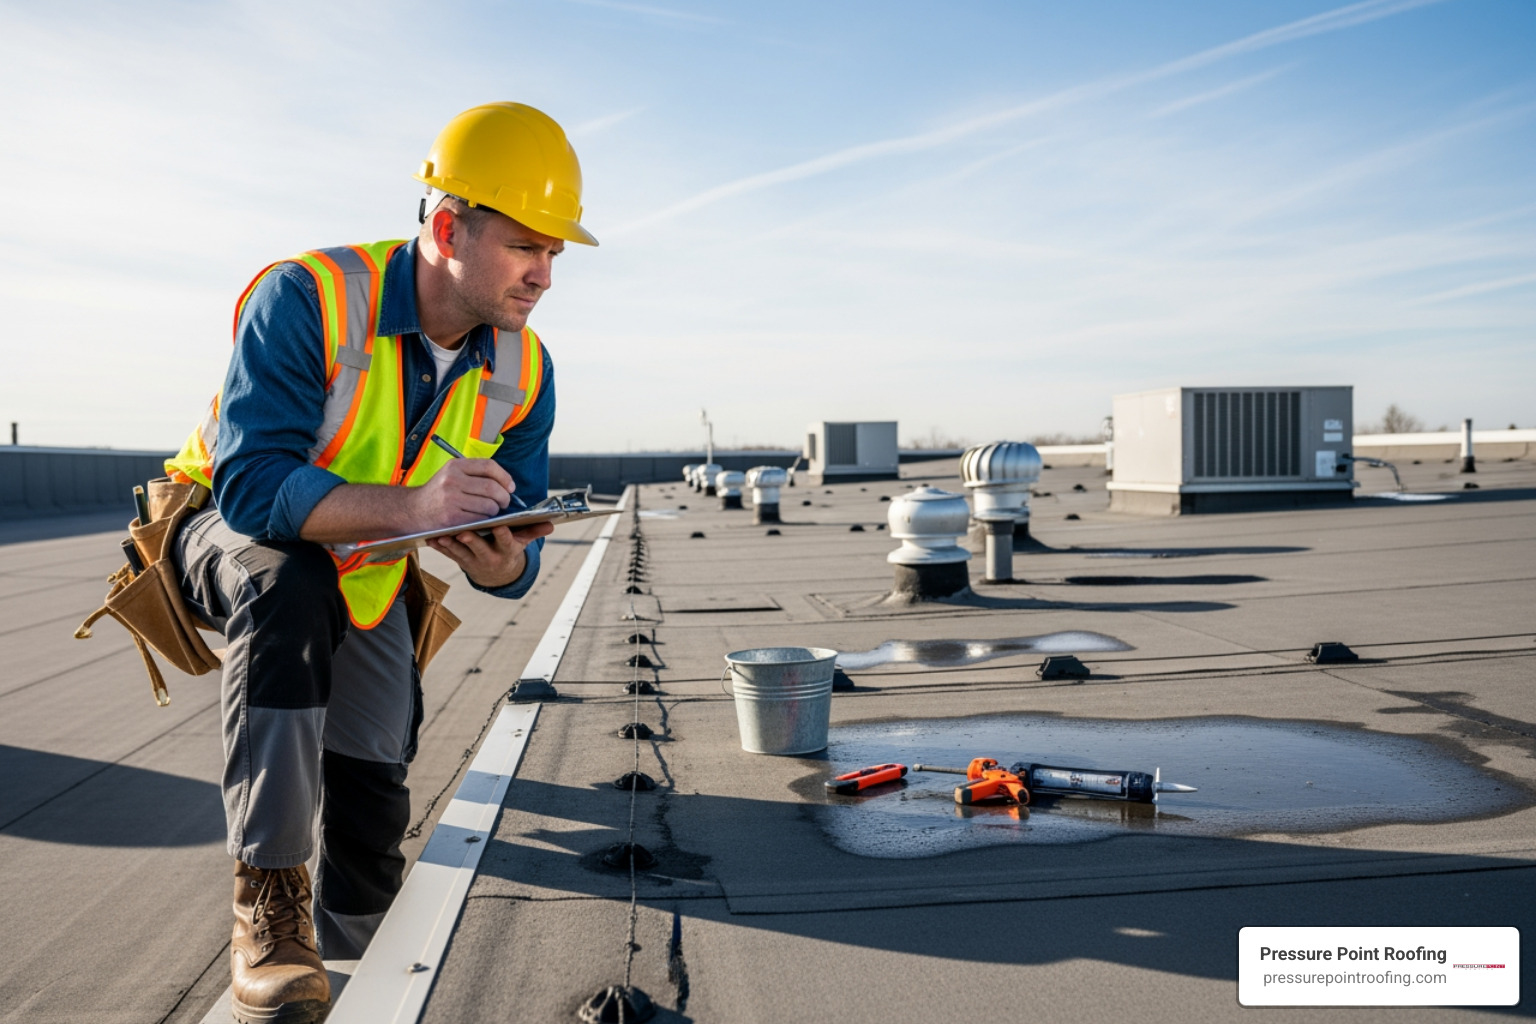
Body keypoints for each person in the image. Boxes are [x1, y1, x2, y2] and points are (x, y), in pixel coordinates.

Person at [163, 102, 597, 1024]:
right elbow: (252, 488)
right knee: (288, 583)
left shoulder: (525, 368)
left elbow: (512, 559)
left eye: (555, 254)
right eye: (527, 246)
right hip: (225, 534)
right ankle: (268, 905)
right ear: (447, 228)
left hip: (369, 559)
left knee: (374, 769)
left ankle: (361, 945)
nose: (544, 275)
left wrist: (492, 563)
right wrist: (417, 509)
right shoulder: (309, 296)